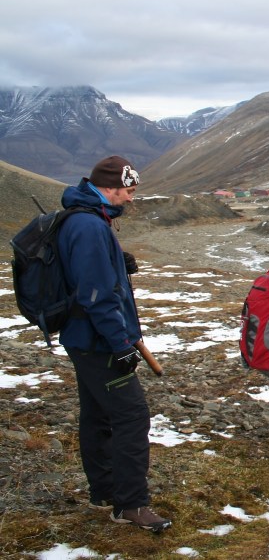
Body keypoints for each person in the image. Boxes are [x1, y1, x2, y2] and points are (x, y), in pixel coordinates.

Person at [56, 156, 171, 533]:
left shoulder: (86, 219)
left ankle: (103, 491)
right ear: (110, 188)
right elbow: (95, 295)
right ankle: (131, 504)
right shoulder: (89, 226)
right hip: (97, 341)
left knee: (97, 413)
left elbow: (88, 275)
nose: (132, 199)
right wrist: (121, 342)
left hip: (83, 339)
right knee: (132, 415)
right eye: (130, 191)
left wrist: (117, 263)